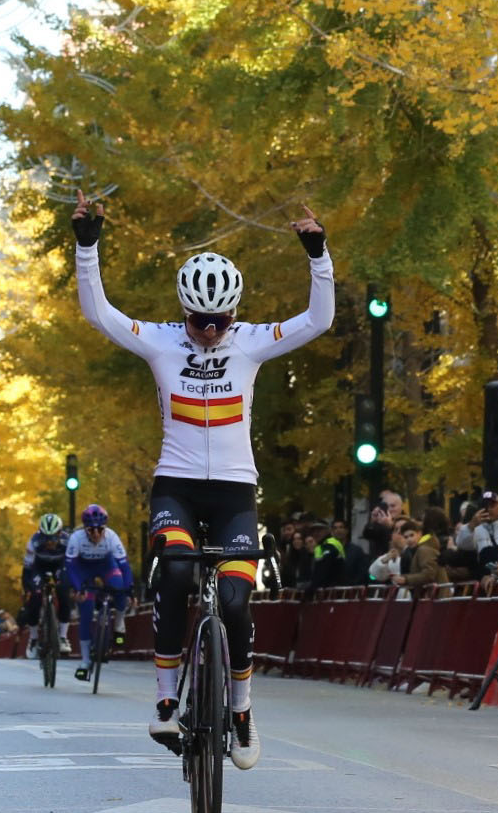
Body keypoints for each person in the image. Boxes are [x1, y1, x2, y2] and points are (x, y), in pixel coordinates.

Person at [73, 187, 332, 771]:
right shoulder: (161, 341)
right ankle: (167, 698)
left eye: (220, 321)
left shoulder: (251, 343)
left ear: (234, 314)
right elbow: (99, 313)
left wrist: (318, 255)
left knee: (237, 601)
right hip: (177, 487)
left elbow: (320, 319)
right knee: (178, 572)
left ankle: (241, 710)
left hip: (237, 491)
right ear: (183, 312)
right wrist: (87, 247)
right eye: (199, 320)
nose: (210, 331)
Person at [66, 504, 134, 680]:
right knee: (86, 613)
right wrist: (77, 587)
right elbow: (71, 567)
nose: (96, 534)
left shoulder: (112, 537)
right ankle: (85, 661)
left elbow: (124, 566)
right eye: (91, 530)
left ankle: (119, 623)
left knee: (120, 587)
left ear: (105, 527)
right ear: (85, 529)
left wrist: (129, 590)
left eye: (100, 529)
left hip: (106, 565)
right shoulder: (76, 538)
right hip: (83, 569)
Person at [20, 511, 70, 654]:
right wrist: (28, 588)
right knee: (34, 599)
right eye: (46, 538)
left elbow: (73, 565)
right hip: (39, 567)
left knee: (63, 593)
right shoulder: (33, 542)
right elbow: (27, 569)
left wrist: (69, 583)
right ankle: (34, 638)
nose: (50, 542)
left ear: (60, 533)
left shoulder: (69, 541)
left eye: (53, 538)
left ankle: (62, 637)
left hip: (60, 565)